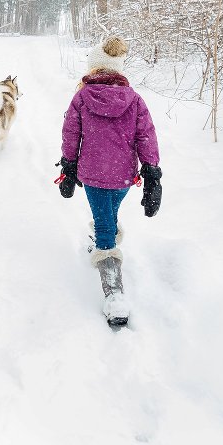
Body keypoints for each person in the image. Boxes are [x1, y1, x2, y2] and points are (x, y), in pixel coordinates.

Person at [57, 36, 162, 327]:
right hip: (123, 176)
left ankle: (114, 293)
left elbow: (70, 134)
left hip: (93, 173)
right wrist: (151, 170)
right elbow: (146, 135)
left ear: (94, 70)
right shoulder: (135, 100)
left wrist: (69, 164)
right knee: (107, 217)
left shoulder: (81, 98)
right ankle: (103, 239)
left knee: (105, 225)